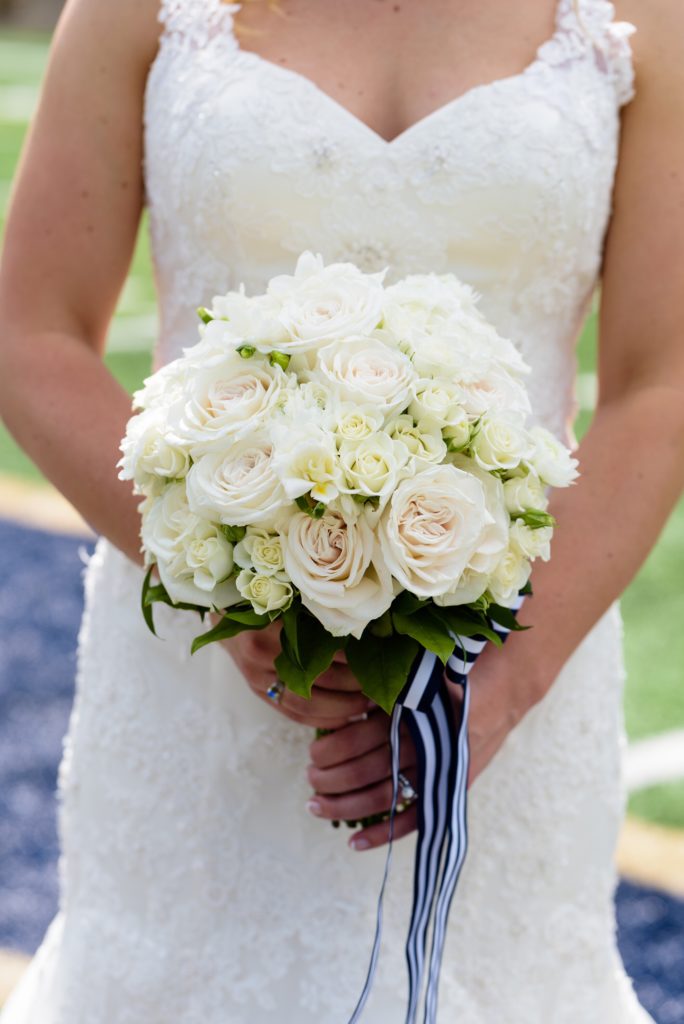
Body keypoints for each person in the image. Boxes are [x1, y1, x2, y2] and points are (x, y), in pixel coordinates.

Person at [0, 0, 682, 1019]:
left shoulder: (645, 17)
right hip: (199, 677)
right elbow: (30, 329)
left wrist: (503, 677)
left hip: (515, 665)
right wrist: (217, 581)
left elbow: (659, 383)